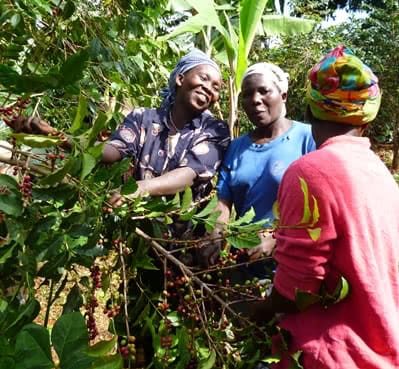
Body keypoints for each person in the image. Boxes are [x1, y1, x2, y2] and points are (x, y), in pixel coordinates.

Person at [250, 45, 399, 368]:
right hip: (379, 351)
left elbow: (296, 291)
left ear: (309, 111)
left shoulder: (309, 172)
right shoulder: (381, 174)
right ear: (367, 120)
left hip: (328, 355)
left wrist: (251, 311)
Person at [8, 49, 230, 204]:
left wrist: (139, 189)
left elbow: (189, 174)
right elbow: (110, 152)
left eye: (216, 87)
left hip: (189, 244)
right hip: (142, 234)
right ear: (181, 79)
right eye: (203, 78)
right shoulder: (142, 118)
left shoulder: (215, 130)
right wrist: (55, 136)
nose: (209, 88)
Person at [198, 62, 315, 269]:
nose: (255, 100)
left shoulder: (308, 139)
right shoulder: (236, 148)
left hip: (291, 263)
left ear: (283, 95)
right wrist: (215, 235)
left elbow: (320, 208)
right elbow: (224, 201)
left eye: (264, 91)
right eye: (247, 94)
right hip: (243, 261)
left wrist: (276, 238)